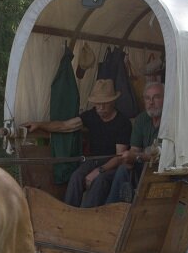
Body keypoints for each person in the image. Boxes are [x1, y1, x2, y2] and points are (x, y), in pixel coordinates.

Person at [23, 78, 131, 207]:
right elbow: (64, 125)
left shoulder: (123, 123)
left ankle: (87, 216)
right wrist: (39, 124)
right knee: (76, 177)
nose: (101, 107)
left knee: (99, 181)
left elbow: (119, 157)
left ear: (113, 101)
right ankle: (68, 213)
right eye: (98, 103)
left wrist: (99, 171)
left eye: (105, 103)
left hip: (113, 165)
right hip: (93, 160)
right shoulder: (91, 115)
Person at [105, 81, 164, 204]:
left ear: (166, 98)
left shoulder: (171, 120)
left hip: (163, 170)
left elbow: (162, 154)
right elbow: (134, 150)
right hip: (143, 167)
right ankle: (112, 210)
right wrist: (130, 158)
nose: (151, 102)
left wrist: (137, 156)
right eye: (147, 98)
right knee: (122, 169)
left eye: (156, 97)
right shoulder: (142, 119)